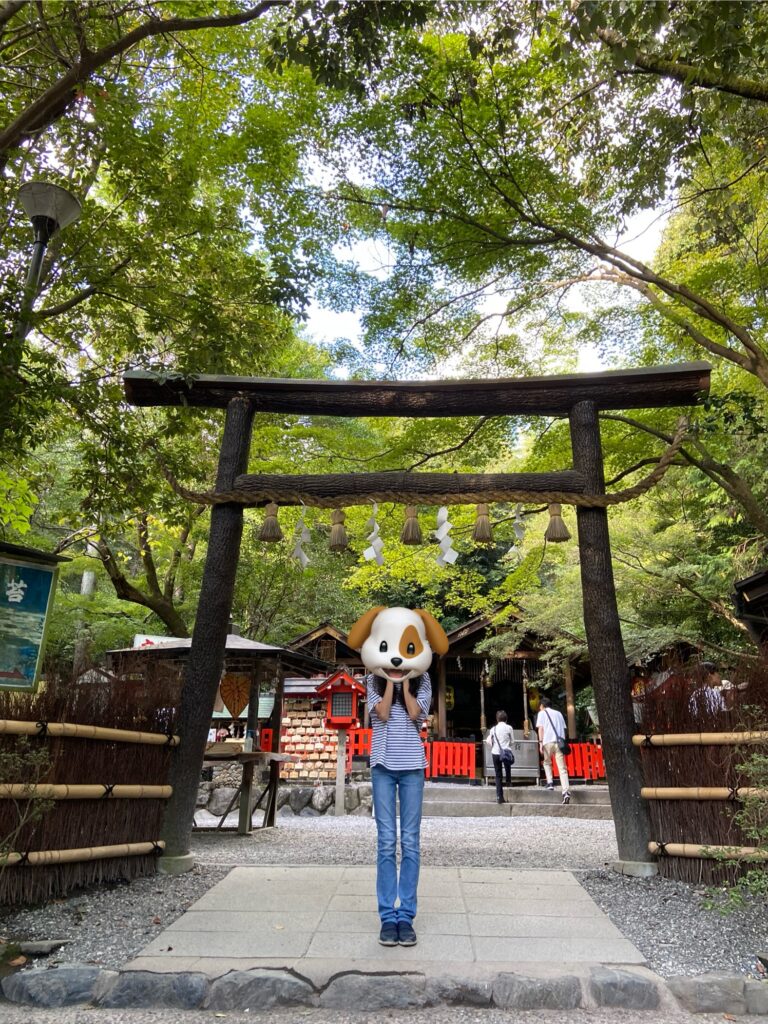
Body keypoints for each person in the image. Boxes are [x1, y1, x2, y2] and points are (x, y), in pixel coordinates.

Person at [347, 605, 448, 949]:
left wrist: (406, 681)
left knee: (412, 842)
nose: (395, 659)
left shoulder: (425, 679)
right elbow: (384, 714)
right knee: (387, 842)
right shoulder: (371, 678)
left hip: (413, 768)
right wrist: (390, 679)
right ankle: (387, 917)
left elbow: (419, 715)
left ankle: (406, 915)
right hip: (383, 767)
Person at [536, 696, 571, 805]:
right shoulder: (559, 713)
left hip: (547, 741)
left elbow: (541, 728)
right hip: (559, 743)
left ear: (542, 705)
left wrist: (540, 742)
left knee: (547, 762)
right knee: (562, 768)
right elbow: (564, 729)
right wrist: (562, 741)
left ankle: (550, 783)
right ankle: (565, 791)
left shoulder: (541, 713)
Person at [487, 710, 515, 803]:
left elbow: (490, 741)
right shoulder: (509, 728)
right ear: (506, 719)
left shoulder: (493, 729)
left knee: (498, 775)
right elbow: (512, 741)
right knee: (508, 766)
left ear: (497, 719)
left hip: (495, 752)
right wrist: (507, 745)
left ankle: (499, 797)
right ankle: (508, 781)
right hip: (506, 751)